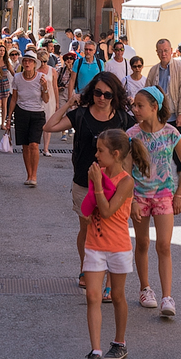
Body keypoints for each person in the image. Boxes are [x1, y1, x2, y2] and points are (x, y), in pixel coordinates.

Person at [47, 72, 131, 290]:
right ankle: (87, 268)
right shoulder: (81, 114)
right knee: (87, 228)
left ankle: (111, 281)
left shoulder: (122, 118)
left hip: (113, 184)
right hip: (84, 181)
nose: (101, 97)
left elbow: (133, 148)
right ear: (91, 91)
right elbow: (49, 127)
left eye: (107, 94)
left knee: (112, 229)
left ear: (115, 96)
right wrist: (69, 104)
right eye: (97, 92)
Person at [79, 130, 148, 359]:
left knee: (118, 296)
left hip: (118, 246)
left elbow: (107, 211)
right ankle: (96, 351)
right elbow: (90, 204)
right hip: (95, 244)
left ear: (115, 154)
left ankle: (120, 342)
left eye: (100, 151)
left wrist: (97, 185)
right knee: (92, 296)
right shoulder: (96, 172)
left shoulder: (126, 182)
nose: (96, 155)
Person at [128, 84, 181, 318]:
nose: (135, 109)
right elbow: (124, 168)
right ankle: (145, 289)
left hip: (164, 196)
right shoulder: (132, 135)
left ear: (154, 107)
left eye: (140, 106)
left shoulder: (171, 133)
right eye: (134, 105)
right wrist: (129, 199)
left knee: (164, 245)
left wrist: (180, 193)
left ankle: (167, 296)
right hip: (139, 196)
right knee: (142, 243)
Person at [12, 48, 52, 188]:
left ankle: (34, 175)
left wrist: (45, 87)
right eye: (25, 61)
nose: (27, 63)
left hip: (37, 113)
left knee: (34, 144)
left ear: (35, 64)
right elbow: (14, 98)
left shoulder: (41, 78)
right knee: (25, 146)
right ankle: (28, 175)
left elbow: (46, 100)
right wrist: (7, 117)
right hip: (21, 112)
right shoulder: (17, 77)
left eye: (30, 61)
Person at [149, 37, 181, 131]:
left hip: (175, 116)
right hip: (158, 116)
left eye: (166, 50)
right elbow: (148, 92)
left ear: (171, 50)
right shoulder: (153, 70)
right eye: (160, 51)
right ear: (157, 52)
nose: (163, 54)